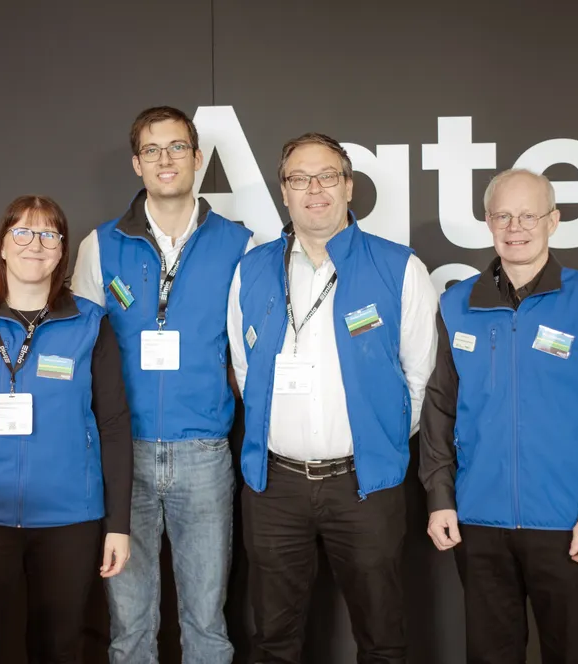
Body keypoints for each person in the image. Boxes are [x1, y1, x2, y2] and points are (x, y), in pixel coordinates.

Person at [227, 132, 438, 663]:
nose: (313, 189)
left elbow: (421, 376)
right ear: (284, 191)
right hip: (274, 488)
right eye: (299, 179)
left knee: (382, 638)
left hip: (364, 485)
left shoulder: (399, 267)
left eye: (326, 177)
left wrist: (378, 439)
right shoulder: (251, 270)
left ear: (348, 186)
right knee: (273, 639)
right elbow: (245, 367)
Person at [418, 168, 578, 663]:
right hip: (478, 521)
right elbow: (439, 408)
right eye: (502, 215)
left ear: (553, 221)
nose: (515, 227)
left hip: (566, 523)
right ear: (488, 222)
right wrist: (439, 495)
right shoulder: (456, 304)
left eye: (528, 215)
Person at [71, 106, 253, 663]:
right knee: (129, 627)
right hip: (124, 460)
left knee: (206, 623)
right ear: (136, 163)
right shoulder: (99, 247)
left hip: (204, 455)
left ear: (198, 159)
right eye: (152, 150)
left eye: (177, 147)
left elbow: (251, 354)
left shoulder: (241, 244)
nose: (165, 159)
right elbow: (81, 358)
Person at [0, 195, 132, 664]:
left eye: (49, 235)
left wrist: (118, 525)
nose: (35, 244)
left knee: (61, 648)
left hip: (70, 519)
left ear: (62, 251)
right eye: (22, 232)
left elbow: (114, 426)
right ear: (0, 245)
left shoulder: (90, 324)